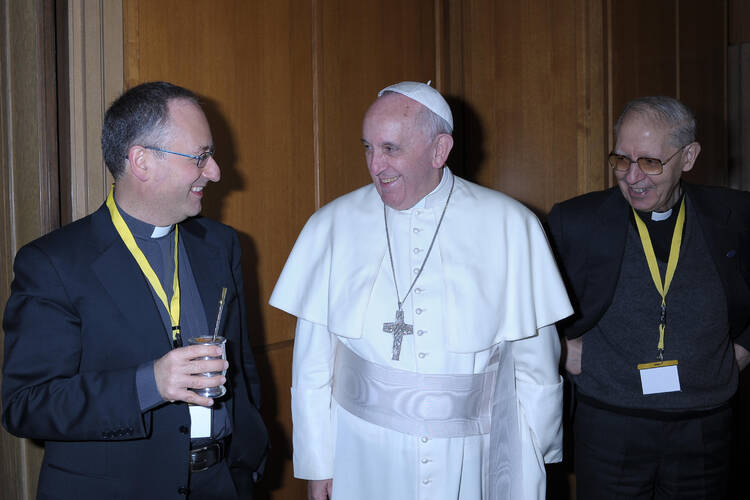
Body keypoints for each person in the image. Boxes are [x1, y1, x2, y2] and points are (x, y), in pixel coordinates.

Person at [269, 81, 573, 500]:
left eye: (391, 148)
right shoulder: (331, 225)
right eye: (368, 148)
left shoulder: (509, 225)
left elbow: (536, 364)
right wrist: (317, 461)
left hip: (474, 453)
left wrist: (536, 456)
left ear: (439, 150)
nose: (376, 165)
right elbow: (312, 364)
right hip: (361, 451)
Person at [2, 81, 268, 499]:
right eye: (200, 157)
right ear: (141, 162)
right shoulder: (53, 263)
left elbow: (244, 366)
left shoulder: (221, 244)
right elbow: (26, 404)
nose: (215, 171)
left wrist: (251, 454)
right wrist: (150, 383)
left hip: (223, 482)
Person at [548, 96, 750, 499]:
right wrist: (556, 348)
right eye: (621, 159)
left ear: (688, 157)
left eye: (650, 162)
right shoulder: (576, 221)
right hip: (608, 423)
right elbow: (525, 305)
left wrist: (745, 346)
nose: (632, 176)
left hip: (704, 425)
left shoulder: (737, 215)